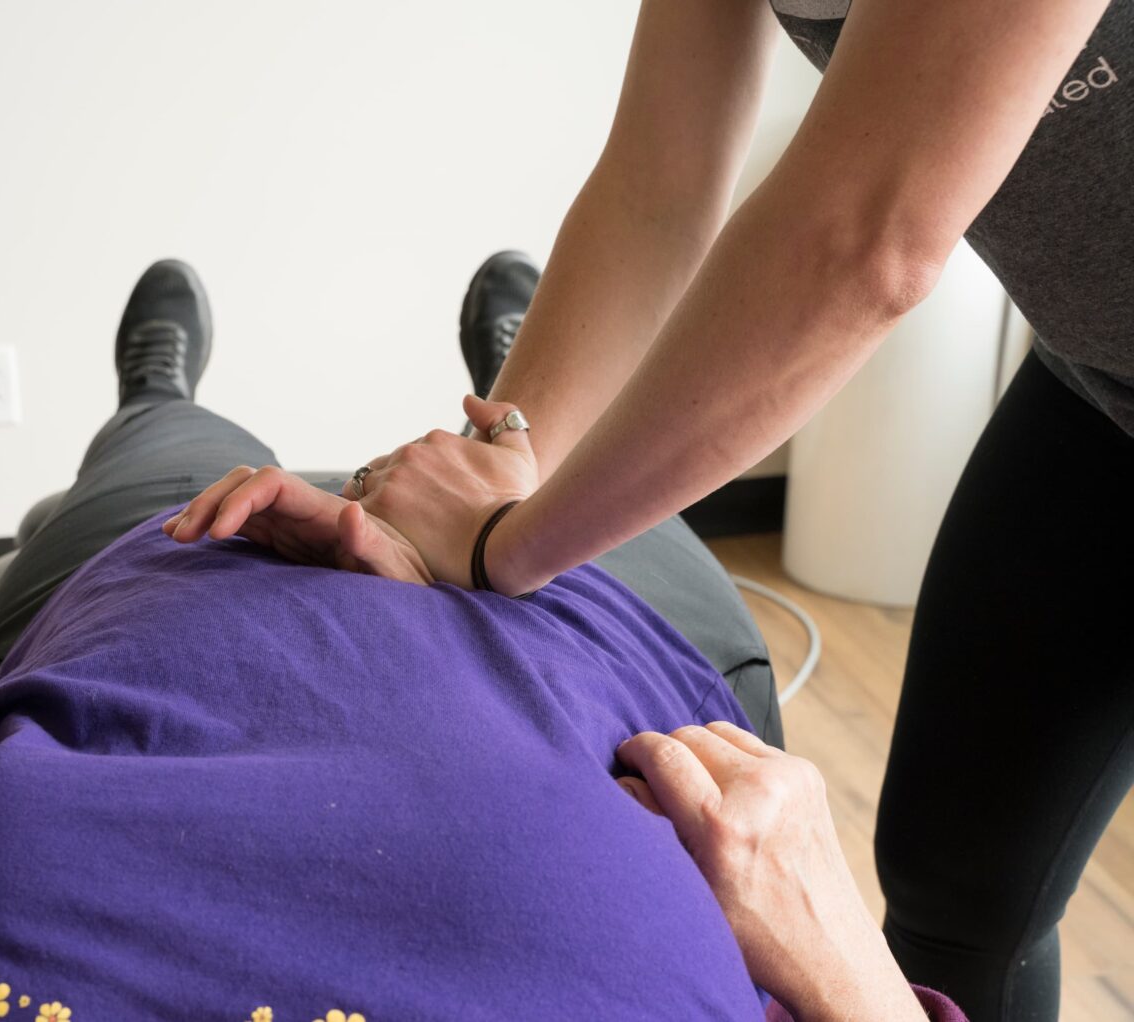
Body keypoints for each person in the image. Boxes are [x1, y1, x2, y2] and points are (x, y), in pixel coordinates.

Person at [0, 261, 960, 1021]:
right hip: (553, 632)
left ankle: (158, 397)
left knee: (172, 459)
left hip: (162, 595)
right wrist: (854, 967)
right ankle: (516, 405)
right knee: (543, 467)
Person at [250, 3, 1133, 1019]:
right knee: (958, 887)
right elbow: (657, 183)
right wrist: (510, 450)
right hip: (1101, 387)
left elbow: (867, 239)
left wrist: (508, 545)